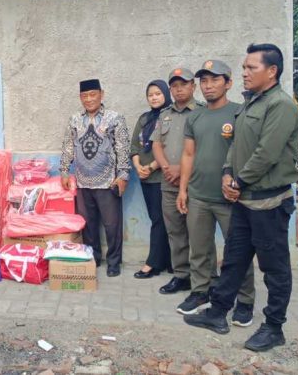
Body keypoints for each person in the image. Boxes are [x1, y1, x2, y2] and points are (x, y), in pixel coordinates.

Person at [184, 43, 298, 353]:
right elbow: (236, 145)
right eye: (245, 67)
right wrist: (227, 173)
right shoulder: (252, 103)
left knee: (274, 269)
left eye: (251, 67)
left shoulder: (280, 105)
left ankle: (274, 327)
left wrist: (238, 181)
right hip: (245, 201)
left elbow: (266, 153)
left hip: (268, 203)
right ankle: (218, 312)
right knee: (234, 261)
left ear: (272, 71)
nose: (245, 72)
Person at [174, 60, 256, 323]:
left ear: (228, 83)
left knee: (238, 252)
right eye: (204, 81)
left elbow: (248, 153)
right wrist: (183, 190)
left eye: (215, 80)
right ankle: (201, 292)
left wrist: (239, 184)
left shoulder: (240, 113)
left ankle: (245, 301)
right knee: (199, 250)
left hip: (230, 198)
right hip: (198, 195)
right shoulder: (195, 116)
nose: (208, 86)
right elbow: (188, 154)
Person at [60, 79, 130, 277]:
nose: (89, 99)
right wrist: (64, 170)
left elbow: (122, 148)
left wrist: (123, 175)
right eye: (85, 96)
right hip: (83, 181)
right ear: (80, 97)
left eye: (93, 94)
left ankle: (114, 262)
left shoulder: (114, 118)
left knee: (112, 225)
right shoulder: (74, 119)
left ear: (101, 94)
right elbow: (68, 146)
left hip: (108, 182)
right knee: (88, 225)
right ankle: (94, 257)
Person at [152, 68, 201, 294]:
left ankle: (204, 278)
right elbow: (156, 144)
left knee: (199, 233)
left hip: (195, 184)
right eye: (174, 86)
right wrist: (166, 167)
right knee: (175, 232)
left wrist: (181, 169)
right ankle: (181, 275)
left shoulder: (202, 112)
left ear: (193, 86)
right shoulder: (165, 114)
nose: (179, 89)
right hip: (169, 182)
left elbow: (205, 147)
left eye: (184, 84)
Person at [130, 80, 173, 279]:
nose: (154, 97)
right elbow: (134, 146)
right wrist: (138, 166)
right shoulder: (145, 119)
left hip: (163, 177)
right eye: (150, 95)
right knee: (157, 219)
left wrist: (151, 167)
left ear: (166, 94)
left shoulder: (171, 116)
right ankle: (168, 261)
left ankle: (153, 263)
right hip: (145, 178)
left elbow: (170, 147)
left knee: (161, 220)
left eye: (158, 93)